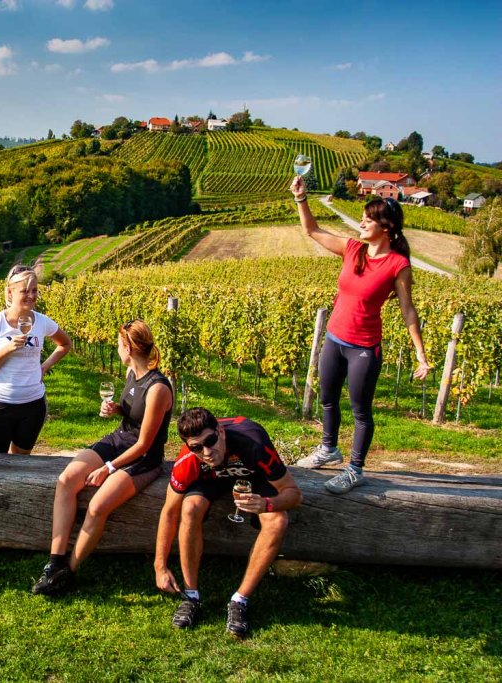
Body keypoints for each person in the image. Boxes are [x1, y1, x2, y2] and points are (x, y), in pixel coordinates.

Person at [291, 178, 431, 493]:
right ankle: (329, 449)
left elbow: (408, 310)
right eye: (363, 216)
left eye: (370, 218)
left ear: (388, 227)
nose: (362, 221)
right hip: (335, 339)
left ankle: (355, 469)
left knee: (360, 410)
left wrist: (421, 355)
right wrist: (301, 199)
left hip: (364, 347)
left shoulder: (398, 265)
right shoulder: (353, 248)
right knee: (327, 399)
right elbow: (313, 230)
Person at [32, 320, 173, 596]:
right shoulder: (133, 372)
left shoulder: (158, 389)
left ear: (129, 348)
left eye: (119, 345)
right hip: (120, 440)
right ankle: (55, 562)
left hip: (143, 458)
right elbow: (134, 415)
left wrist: (108, 468)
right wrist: (118, 409)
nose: (117, 349)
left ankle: (68, 571)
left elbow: (145, 444)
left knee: (97, 506)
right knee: (66, 480)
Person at [154, 408, 302, 639]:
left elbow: (293, 494)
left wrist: (267, 504)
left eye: (210, 441)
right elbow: (169, 512)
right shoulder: (188, 459)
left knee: (277, 521)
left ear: (220, 432)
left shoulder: (252, 443)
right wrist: (159, 566)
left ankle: (240, 600)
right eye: (196, 447)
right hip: (211, 479)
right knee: (189, 508)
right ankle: (190, 595)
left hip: (252, 477)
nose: (207, 452)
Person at [0, 265, 71, 454]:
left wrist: (44, 367)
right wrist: (8, 349)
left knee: (20, 461)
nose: (31, 295)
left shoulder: (42, 321)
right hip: (0, 405)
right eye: (25, 291)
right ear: (10, 293)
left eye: (35, 290)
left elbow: (65, 344)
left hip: (33, 405)